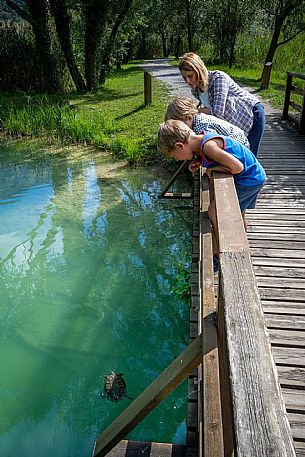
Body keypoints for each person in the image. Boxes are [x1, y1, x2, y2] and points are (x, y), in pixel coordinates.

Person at [157, 119, 266, 271]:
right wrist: (201, 162)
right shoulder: (203, 141)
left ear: (179, 146)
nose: (176, 159)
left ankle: (221, 251)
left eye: (174, 156)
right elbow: (222, 157)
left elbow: (237, 167)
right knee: (239, 213)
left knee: (214, 210)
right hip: (255, 175)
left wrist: (213, 170)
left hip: (249, 179)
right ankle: (242, 247)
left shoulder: (208, 146)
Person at [178, 52, 265, 157]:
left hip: (252, 114)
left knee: (249, 156)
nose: (188, 81)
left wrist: (198, 111)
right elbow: (210, 112)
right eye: (184, 78)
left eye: (190, 76)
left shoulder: (218, 78)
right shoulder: (195, 90)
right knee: (239, 156)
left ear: (198, 70)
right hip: (234, 120)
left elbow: (217, 113)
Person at [165, 97, 250, 149]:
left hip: (239, 144)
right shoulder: (197, 119)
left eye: (180, 126)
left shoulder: (202, 126)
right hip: (239, 140)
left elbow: (212, 144)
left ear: (189, 118)